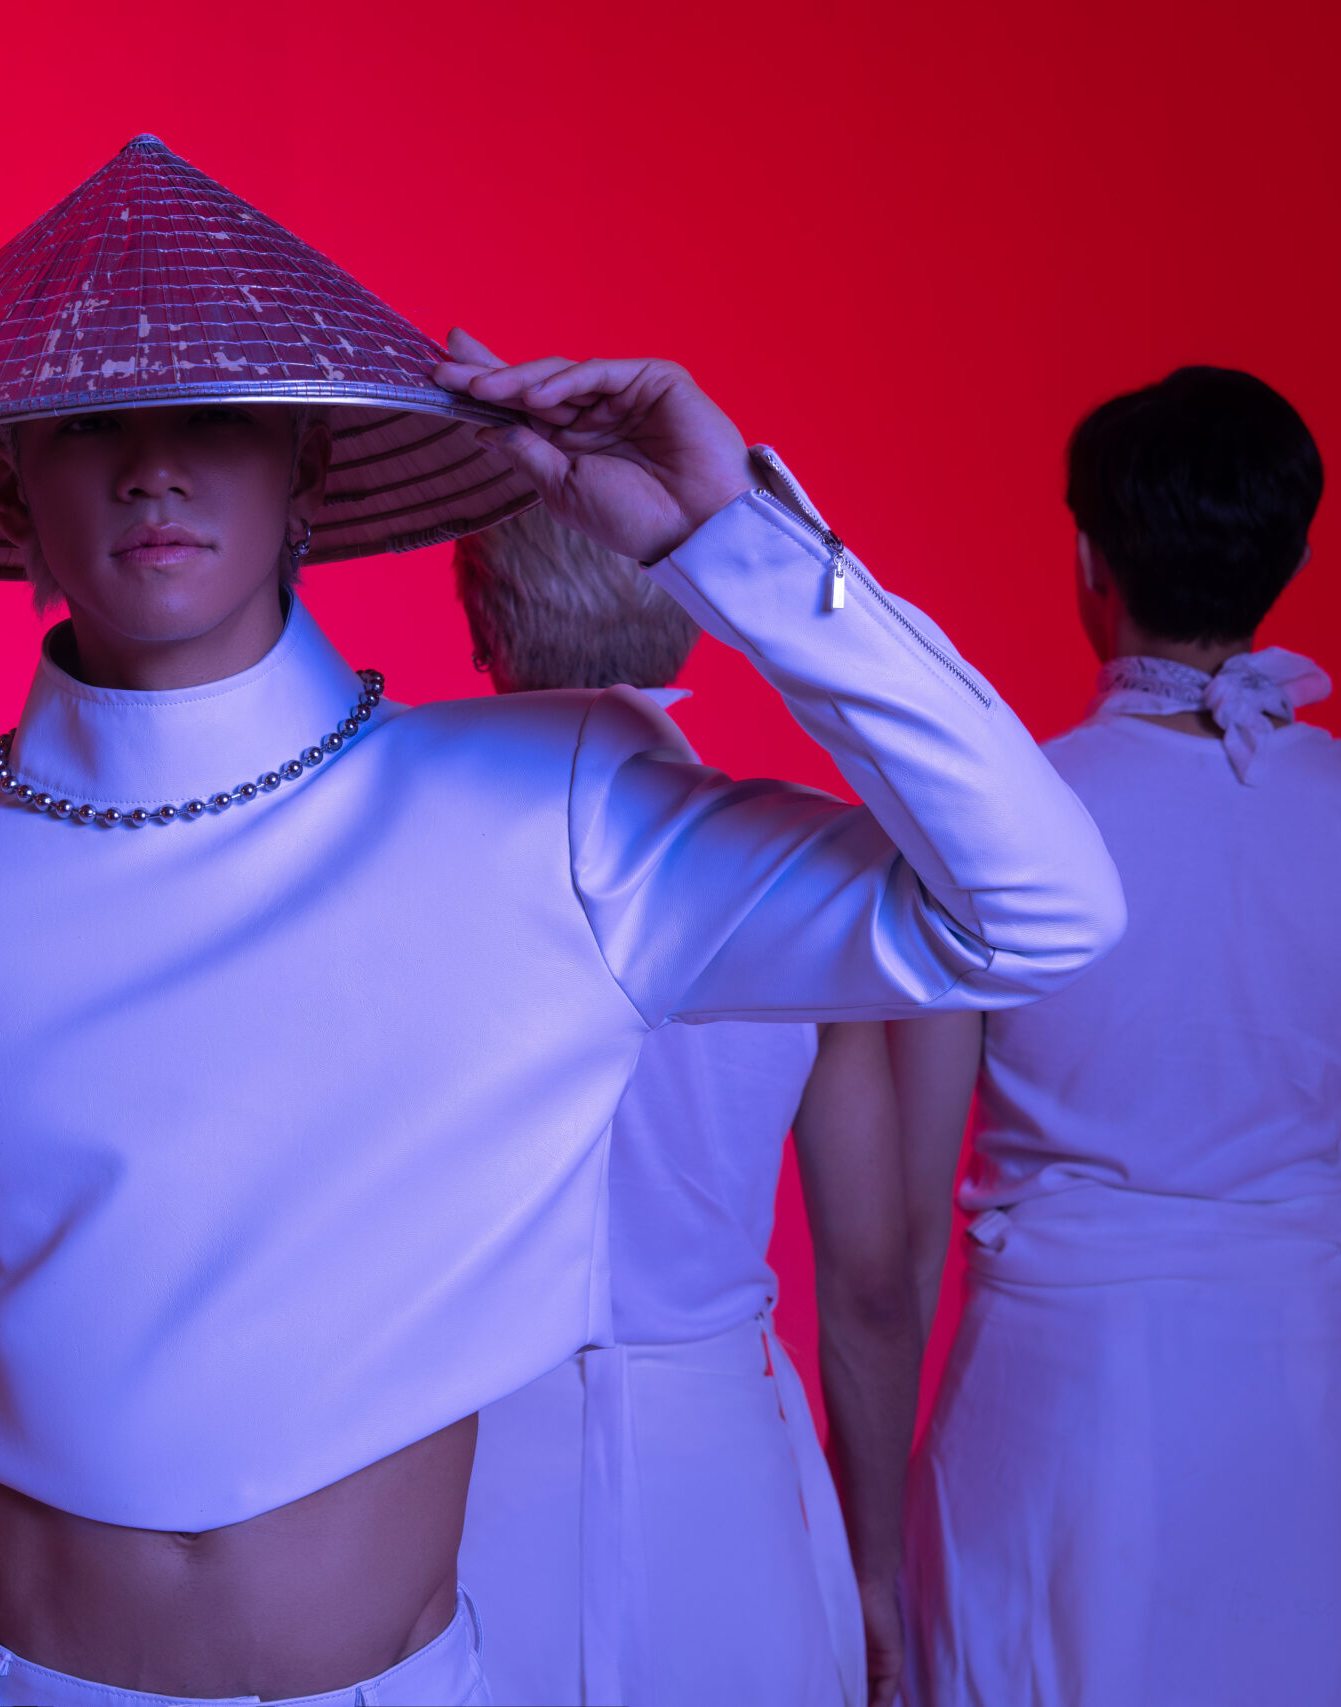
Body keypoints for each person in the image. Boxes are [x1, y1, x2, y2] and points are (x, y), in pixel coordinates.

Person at [0, 134, 1124, 1707]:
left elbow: (1036, 909)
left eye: (215, 412)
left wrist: (729, 538)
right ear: (8, 488)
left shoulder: (550, 804)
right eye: (95, 420)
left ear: (309, 468)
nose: (154, 467)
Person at [895, 367, 1341, 1706]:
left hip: (1049, 1408)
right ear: (1296, 557)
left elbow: (904, 1238)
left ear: (1089, 559)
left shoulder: (987, 831)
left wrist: (867, 1532)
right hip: (1307, 1404)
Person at [450, 508, 918, 1707]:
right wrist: (873, 1567)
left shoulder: (399, 866)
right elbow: (868, 1282)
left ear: (480, 628)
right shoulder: (802, 866)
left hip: (462, 1465)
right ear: (694, 617)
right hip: (721, 1457)